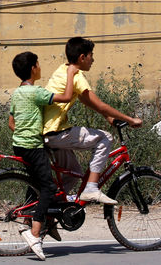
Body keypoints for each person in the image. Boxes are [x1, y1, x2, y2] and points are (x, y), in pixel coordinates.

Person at [43, 37, 143, 204]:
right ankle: (91, 188)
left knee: (72, 174)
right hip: (57, 132)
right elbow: (100, 105)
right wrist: (130, 119)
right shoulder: (76, 75)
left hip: (48, 133)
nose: (93, 59)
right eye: (91, 55)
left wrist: (108, 117)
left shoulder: (63, 70)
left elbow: (88, 101)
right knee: (105, 138)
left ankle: (49, 212)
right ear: (82, 57)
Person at [9, 51, 79, 261]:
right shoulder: (36, 92)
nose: (40, 67)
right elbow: (66, 97)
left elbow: (11, 123)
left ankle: (37, 223)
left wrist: (24, 133)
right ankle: (35, 233)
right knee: (48, 187)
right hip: (33, 146)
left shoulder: (17, 93)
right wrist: (70, 74)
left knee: (36, 184)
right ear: (33, 69)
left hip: (19, 145)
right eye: (38, 64)